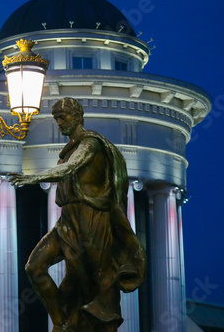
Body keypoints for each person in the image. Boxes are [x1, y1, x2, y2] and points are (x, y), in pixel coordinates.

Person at [10, 97, 146, 332]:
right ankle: (61, 322)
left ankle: (103, 323)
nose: (59, 123)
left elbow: (71, 167)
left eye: (63, 117)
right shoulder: (69, 149)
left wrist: (35, 177)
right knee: (34, 267)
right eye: (56, 119)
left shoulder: (90, 143)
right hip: (68, 220)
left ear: (78, 116)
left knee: (97, 277)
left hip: (92, 217)